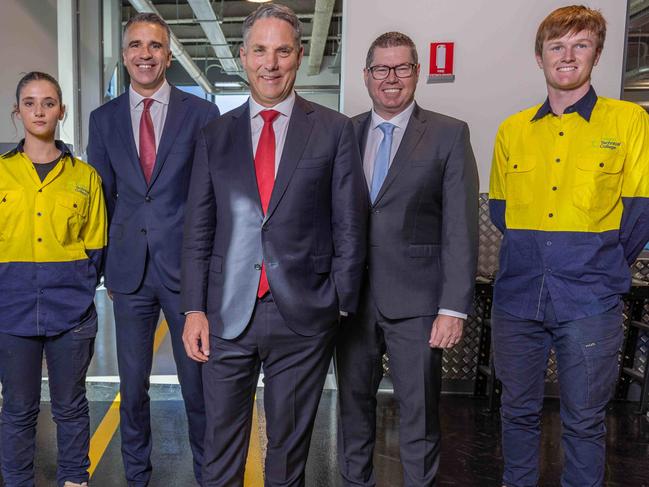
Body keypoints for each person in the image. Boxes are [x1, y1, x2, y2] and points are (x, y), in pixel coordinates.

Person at [180, 3, 367, 485]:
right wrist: (194, 310)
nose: (271, 62)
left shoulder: (333, 130)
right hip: (225, 312)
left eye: (282, 51)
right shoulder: (214, 135)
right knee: (220, 448)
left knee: (287, 452)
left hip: (303, 314)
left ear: (299, 56)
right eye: (260, 51)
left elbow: (350, 222)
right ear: (242, 57)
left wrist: (339, 304)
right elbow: (198, 229)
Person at [488, 6, 649, 487]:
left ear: (596, 54)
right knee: (516, 414)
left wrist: (595, 264)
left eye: (580, 45)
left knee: (583, 421)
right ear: (540, 57)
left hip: (590, 300)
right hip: (517, 297)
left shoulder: (627, 122)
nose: (567, 56)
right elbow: (501, 212)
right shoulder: (512, 130)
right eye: (557, 46)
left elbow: (641, 211)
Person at [335, 32, 479, 487]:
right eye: (381, 68)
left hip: (418, 305)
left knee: (418, 415)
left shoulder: (448, 133)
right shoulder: (344, 132)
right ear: (366, 75)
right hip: (351, 303)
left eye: (401, 68)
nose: (391, 78)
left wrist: (453, 307)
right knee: (352, 410)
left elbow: (460, 225)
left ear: (416, 73)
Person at [86, 12, 219, 487]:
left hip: (186, 273)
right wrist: (103, 268)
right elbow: (102, 198)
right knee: (133, 388)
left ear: (168, 54)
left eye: (155, 46)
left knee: (198, 388)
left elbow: (211, 198)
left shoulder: (201, 113)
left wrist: (208, 273)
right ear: (124, 56)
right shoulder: (102, 120)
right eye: (136, 45)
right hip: (128, 274)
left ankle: (211, 475)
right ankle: (136, 476)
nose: (146, 54)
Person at [0, 72, 107, 487]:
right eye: (30, 102)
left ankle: (74, 479)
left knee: (70, 405)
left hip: (72, 313)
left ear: (62, 111)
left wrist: (74, 288)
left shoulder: (86, 178)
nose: (39, 110)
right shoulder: (3, 175)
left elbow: (95, 248)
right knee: (18, 408)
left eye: (48, 102)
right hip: (12, 311)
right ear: (17, 111)